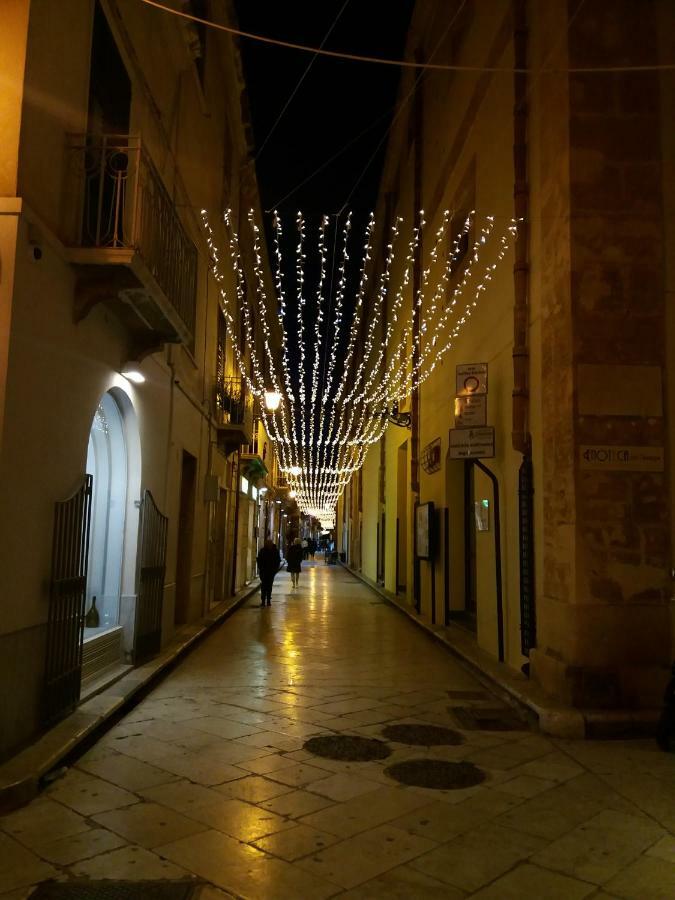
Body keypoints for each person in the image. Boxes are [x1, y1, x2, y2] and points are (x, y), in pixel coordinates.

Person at [257, 538, 281, 607]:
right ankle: (266, 600)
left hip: (267, 571)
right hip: (266, 571)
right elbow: (259, 560)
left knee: (265, 586)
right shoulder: (273, 551)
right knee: (267, 586)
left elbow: (277, 561)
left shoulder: (265, 551)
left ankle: (266, 600)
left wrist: (274, 569)